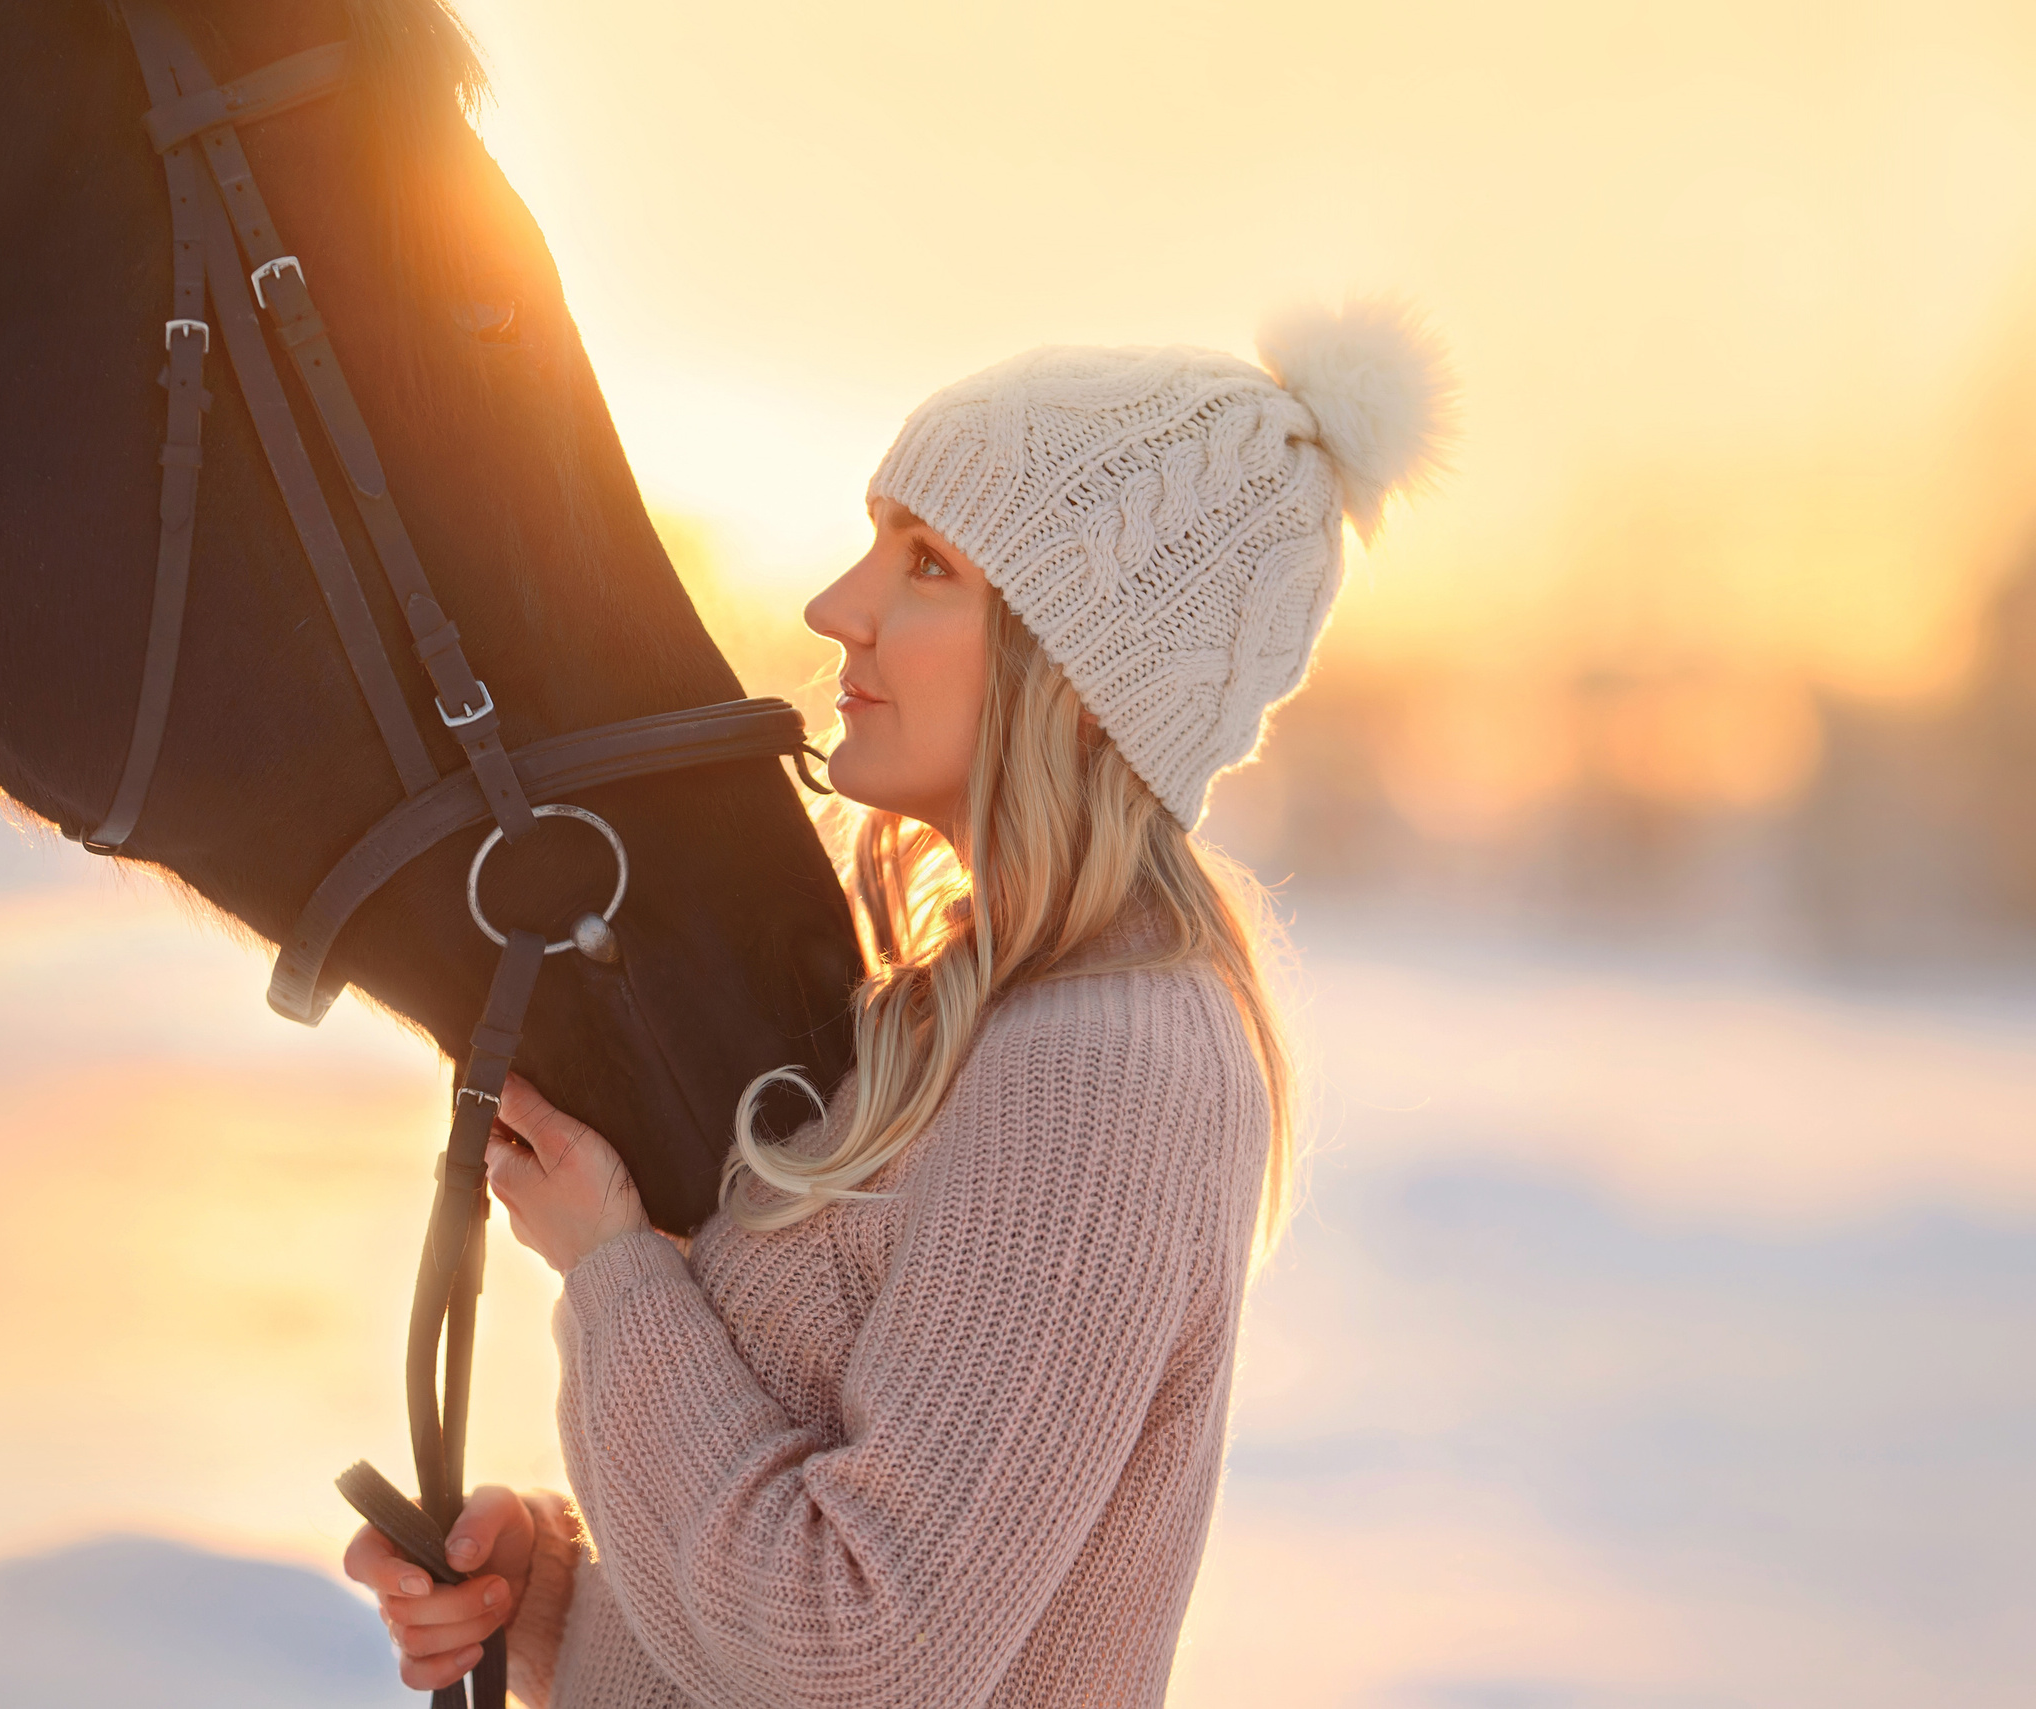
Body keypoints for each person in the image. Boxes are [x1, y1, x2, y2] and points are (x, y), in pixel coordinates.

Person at [346, 300, 1455, 1707]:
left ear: (1087, 677)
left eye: (926, 564)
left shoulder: (1107, 1064)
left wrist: (617, 1275)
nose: (836, 609)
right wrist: (557, 1600)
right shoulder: (971, 1020)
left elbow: (857, 1646)